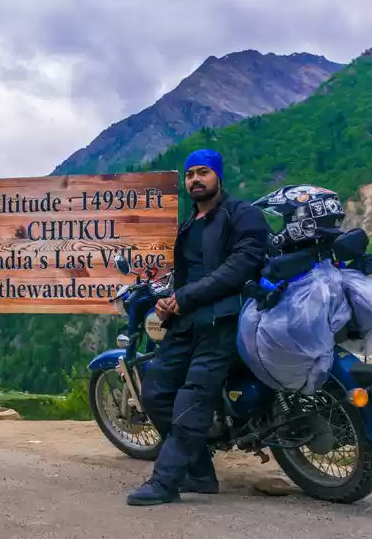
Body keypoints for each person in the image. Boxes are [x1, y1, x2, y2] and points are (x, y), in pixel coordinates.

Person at [126, 148, 272, 506]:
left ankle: (165, 482)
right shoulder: (189, 225)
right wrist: (170, 300)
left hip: (224, 323)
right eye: (190, 175)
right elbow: (187, 276)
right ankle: (200, 473)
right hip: (186, 323)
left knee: (192, 400)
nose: (195, 180)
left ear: (218, 177)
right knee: (155, 394)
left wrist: (186, 296)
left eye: (202, 173)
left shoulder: (244, 216)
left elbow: (240, 267)